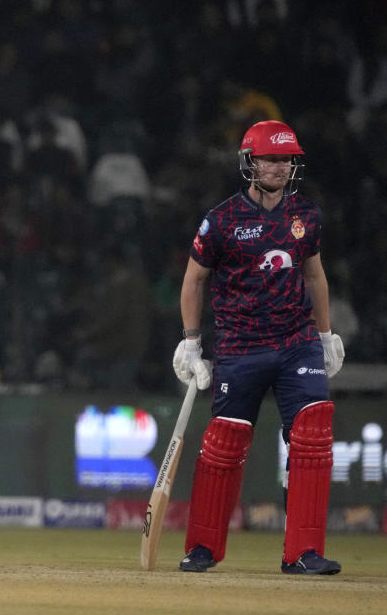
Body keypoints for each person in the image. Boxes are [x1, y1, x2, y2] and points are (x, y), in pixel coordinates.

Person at [172, 120, 345, 575]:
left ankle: (303, 554)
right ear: (250, 162)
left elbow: (314, 276)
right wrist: (192, 344)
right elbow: (194, 280)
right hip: (240, 346)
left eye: (286, 159)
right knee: (225, 443)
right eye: (270, 158)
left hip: (296, 342)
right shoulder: (221, 219)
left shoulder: (306, 216)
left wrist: (325, 335)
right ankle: (203, 549)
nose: (280, 167)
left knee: (311, 438)